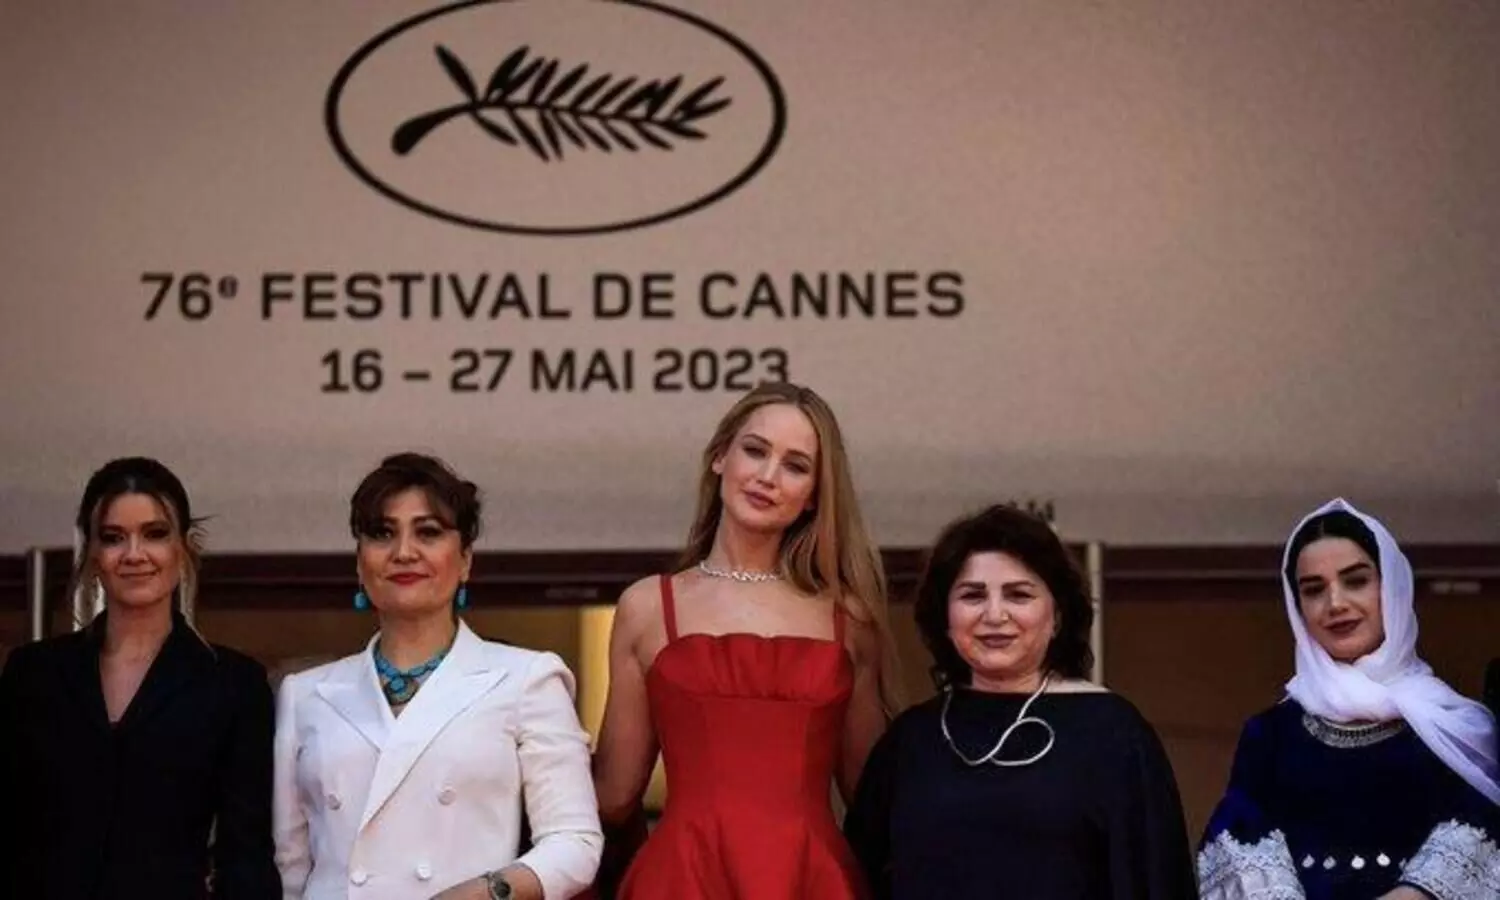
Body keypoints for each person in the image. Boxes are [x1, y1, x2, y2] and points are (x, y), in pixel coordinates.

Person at [590, 382, 901, 899]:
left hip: (811, 879)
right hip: (682, 878)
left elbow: (873, 802)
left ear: (814, 496)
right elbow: (615, 795)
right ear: (719, 457)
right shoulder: (647, 606)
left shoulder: (849, 618)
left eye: (795, 466)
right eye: (755, 451)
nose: (767, 476)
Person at [273, 453, 601, 900]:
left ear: (465, 560)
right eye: (382, 533)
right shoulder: (305, 693)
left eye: (428, 532)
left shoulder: (527, 678)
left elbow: (575, 842)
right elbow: (290, 864)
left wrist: (485, 892)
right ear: (359, 563)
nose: (404, 552)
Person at [842, 503, 1198, 899]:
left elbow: (1158, 882)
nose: (995, 615)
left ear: (1057, 615)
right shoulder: (909, 741)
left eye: (1019, 595)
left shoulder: (1114, 733)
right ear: (944, 618)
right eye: (973, 595)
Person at [0, 456, 280, 899]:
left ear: (183, 547)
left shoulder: (233, 685)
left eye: (155, 533)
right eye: (113, 537)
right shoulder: (32, 675)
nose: (134, 554)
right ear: (92, 554)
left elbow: (246, 857)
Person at [1197, 498, 1500, 900]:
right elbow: (1239, 836)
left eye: (1356, 581)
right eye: (1313, 590)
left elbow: (1484, 823)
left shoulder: (1459, 726)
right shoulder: (1269, 736)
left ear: (1391, 588)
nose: (1335, 604)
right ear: (1297, 607)